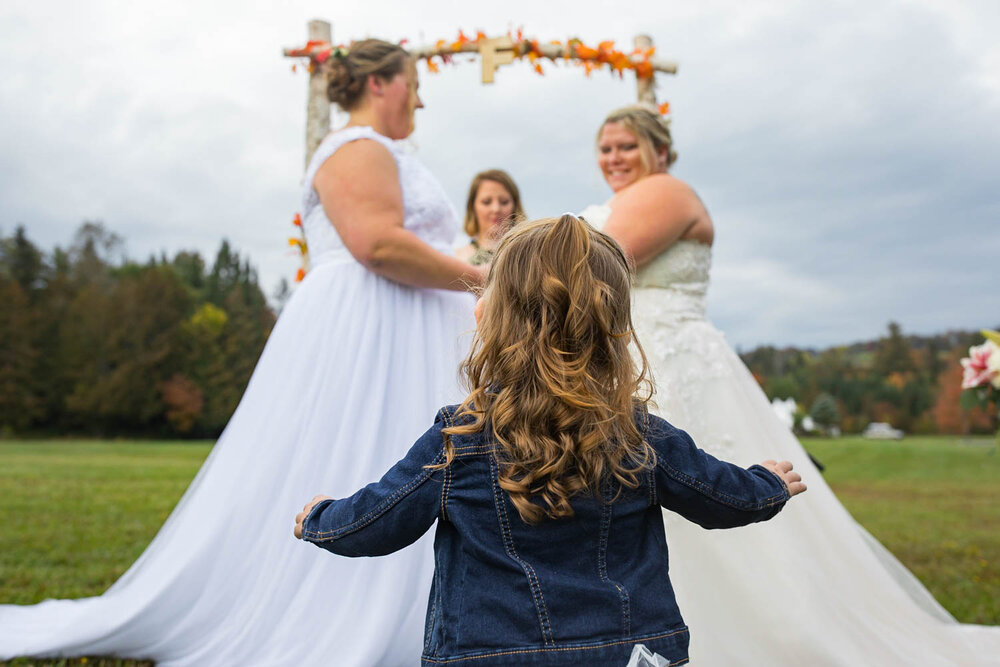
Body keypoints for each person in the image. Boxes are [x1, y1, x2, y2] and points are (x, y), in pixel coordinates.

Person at [0, 39, 482, 666]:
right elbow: (378, 245)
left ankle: (413, 601)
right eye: (412, 81)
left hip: (407, 325)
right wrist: (483, 279)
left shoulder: (382, 152)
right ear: (379, 84)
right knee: (356, 444)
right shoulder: (356, 149)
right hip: (371, 327)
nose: (420, 95)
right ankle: (342, 604)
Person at [581, 105, 1000, 664]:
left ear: (660, 149)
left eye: (626, 146)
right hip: (637, 361)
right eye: (605, 148)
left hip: (679, 368)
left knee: (698, 494)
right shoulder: (630, 199)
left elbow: (598, 267)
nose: (614, 158)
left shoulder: (667, 191)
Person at [294, 215, 806, 666]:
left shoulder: (459, 438)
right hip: (629, 652)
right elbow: (721, 498)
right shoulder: (637, 433)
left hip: (488, 653)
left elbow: (379, 521)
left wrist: (321, 518)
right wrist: (766, 484)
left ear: (500, 319)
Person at [454, 169, 525, 265]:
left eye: (504, 202)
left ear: (515, 206)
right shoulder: (457, 259)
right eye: (486, 202)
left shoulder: (530, 255)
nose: (496, 209)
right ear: (472, 207)